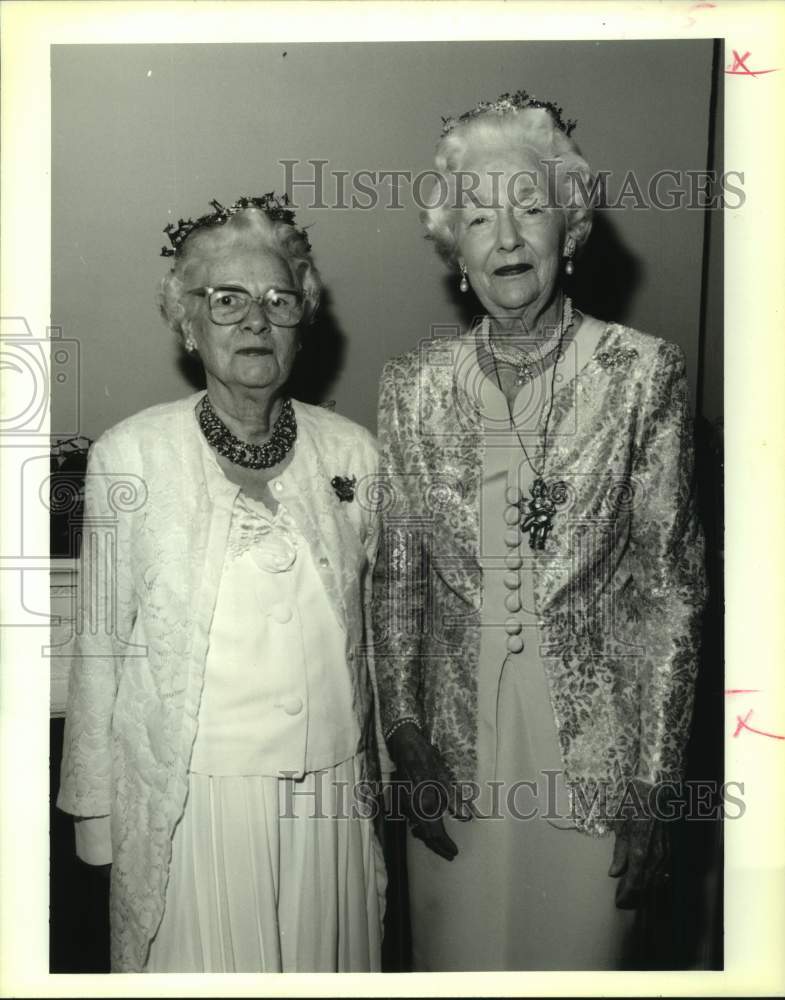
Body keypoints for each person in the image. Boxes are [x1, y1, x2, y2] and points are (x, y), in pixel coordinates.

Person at [372, 92, 707, 970]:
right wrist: (403, 732)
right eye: (479, 217)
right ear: (456, 250)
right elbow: (397, 575)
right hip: (453, 763)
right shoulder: (412, 385)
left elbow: (668, 589)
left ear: (571, 228)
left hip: (596, 761)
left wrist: (653, 783)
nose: (507, 238)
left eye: (530, 209)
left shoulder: (641, 373)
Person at [57, 195, 386, 973]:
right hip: (195, 802)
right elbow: (99, 644)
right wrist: (96, 813)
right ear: (187, 323)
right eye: (226, 300)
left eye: (278, 301)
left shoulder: (354, 453)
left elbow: (373, 634)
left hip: (332, 798)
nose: (254, 322)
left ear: (302, 321)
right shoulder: (131, 455)